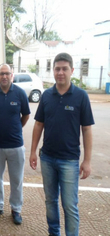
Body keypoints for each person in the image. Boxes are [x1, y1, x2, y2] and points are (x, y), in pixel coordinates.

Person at [29, 53, 94, 236]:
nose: (60, 72)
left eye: (64, 68)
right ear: (53, 71)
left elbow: (87, 130)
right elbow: (38, 124)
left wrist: (87, 161)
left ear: (72, 71)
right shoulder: (47, 95)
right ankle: (53, 233)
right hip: (47, 158)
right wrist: (33, 151)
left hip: (69, 161)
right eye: (57, 68)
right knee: (50, 201)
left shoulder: (81, 96)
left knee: (69, 205)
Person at [0, 64, 30, 225]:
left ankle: (16, 209)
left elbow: (25, 115)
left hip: (16, 145)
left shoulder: (19, 93)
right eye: (1, 73)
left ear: (12, 75)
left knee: (16, 179)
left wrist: (16, 127)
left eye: (7, 73)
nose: (4, 76)